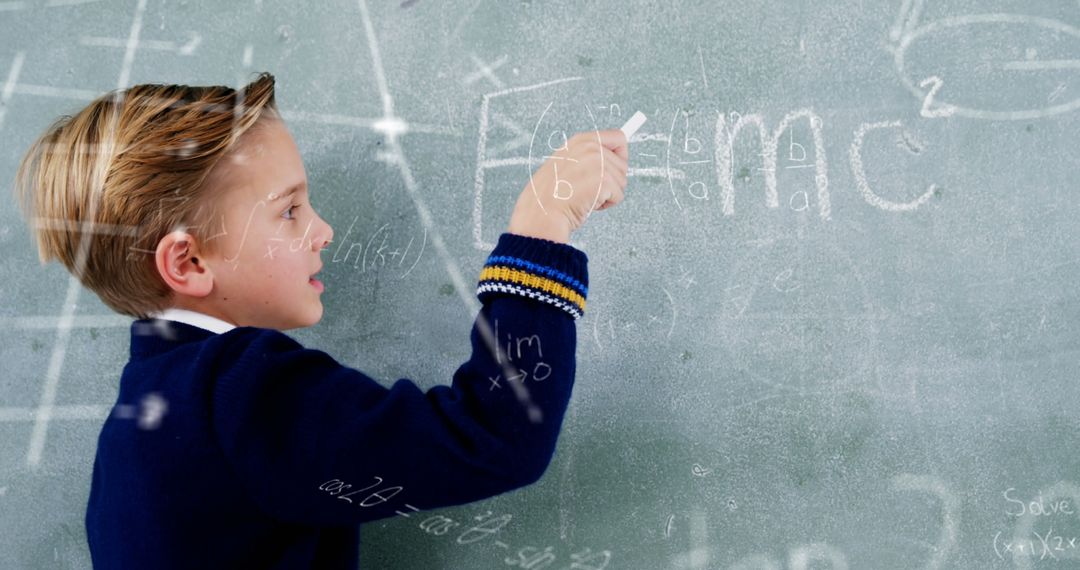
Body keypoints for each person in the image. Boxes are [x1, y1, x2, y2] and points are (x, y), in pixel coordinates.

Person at [12, 72, 629, 568]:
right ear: (189, 260)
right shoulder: (235, 394)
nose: (323, 231)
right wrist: (542, 228)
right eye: (289, 211)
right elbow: (497, 440)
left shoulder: (143, 416)